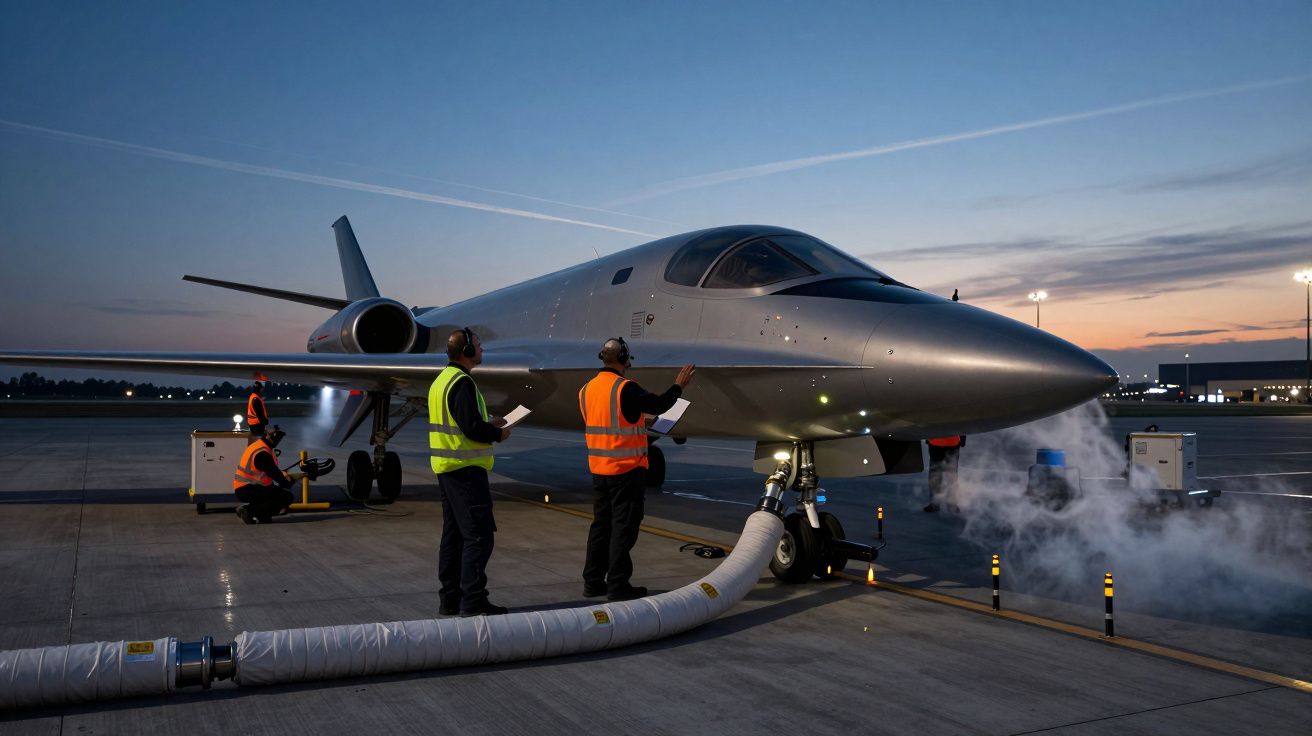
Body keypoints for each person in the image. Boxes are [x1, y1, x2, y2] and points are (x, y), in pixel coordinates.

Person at [579, 337, 695, 601]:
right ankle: (618, 584)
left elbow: (610, 421)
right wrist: (679, 385)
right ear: (623, 358)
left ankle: (593, 582)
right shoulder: (625, 389)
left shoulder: (586, 390)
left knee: (601, 526)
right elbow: (661, 404)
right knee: (624, 528)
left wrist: (639, 421)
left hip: (599, 470)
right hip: (625, 472)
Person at [429, 327, 513, 617]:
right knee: (479, 537)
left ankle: (449, 599)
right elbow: (471, 428)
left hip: (448, 469)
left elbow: (461, 419)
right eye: (478, 345)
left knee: (453, 537)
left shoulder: (442, 381)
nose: (482, 349)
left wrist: (491, 420)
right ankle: (473, 601)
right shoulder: (462, 382)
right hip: (466, 471)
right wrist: (497, 433)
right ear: (465, 351)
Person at [233, 426, 302, 524]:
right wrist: (289, 481)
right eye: (277, 438)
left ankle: (261, 514)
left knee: (272, 498)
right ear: (268, 436)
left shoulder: (260, 446)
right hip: (248, 489)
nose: (278, 440)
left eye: (279, 438)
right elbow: (274, 474)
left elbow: (272, 471)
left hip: (249, 487)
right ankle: (249, 511)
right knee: (286, 497)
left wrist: (285, 476)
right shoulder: (262, 453)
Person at [924, 435, 965, 512]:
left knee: (936, 474)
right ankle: (950, 504)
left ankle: (935, 504)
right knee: (951, 475)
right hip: (950, 443)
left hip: (939, 442)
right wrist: (962, 440)